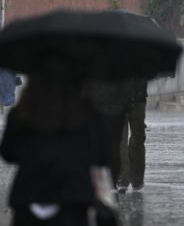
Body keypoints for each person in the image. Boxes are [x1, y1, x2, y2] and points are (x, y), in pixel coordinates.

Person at [0, 72, 111, 225]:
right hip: (73, 198)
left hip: (29, 197)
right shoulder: (86, 112)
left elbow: (8, 153)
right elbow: (103, 155)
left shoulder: (22, 113)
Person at [117, 78, 148, 193]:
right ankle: (123, 178)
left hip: (137, 95)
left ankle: (136, 178)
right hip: (119, 97)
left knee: (138, 137)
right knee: (122, 138)